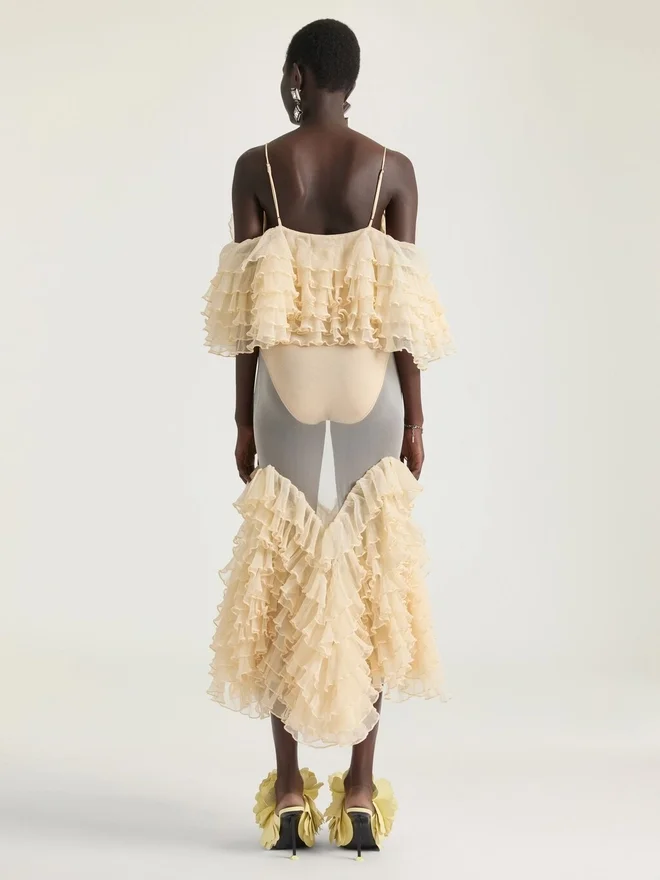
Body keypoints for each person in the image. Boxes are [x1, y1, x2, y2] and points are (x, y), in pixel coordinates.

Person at [202, 18, 454, 858]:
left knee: (282, 574)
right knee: (373, 575)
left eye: (289, 73)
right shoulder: (391, 170)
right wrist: (415, 416)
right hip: (370, 381)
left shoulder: (258, 169)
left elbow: (247, 313)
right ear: (351, 80)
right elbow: (403, 311)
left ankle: (286, 789)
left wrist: (243, 418)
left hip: (285, 381)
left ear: (299, 74)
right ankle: (358, 789)